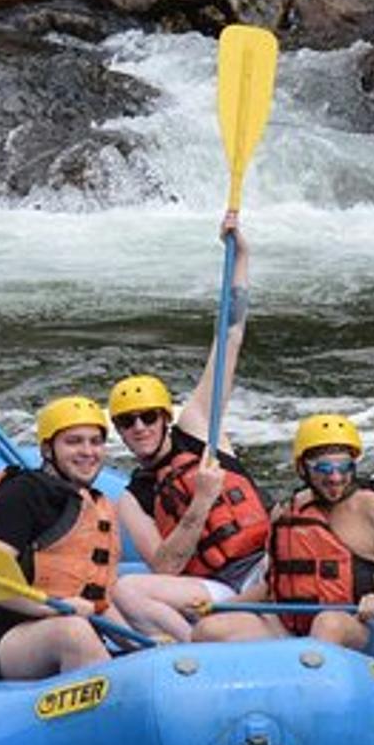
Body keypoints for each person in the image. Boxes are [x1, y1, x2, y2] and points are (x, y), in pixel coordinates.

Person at [107, 215, 271, 641]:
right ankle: (190, 650)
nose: (139, 427)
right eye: (127, 422)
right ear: (119, 432)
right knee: (127, 589)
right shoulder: (133, 498)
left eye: (148, 417)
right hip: (214, 585)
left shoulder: (199, 425)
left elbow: (231, 333)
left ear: (165, 417)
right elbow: (165, 567)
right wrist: (200, 503)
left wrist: (240, 256)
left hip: (265, 564)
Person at [194, 414, 374, 659]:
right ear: (302, 468)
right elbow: (273, 586)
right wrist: (218, 608)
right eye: (324, 468)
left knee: (329, 624)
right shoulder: (285, 512)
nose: (336, 478)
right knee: (209, 630)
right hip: (297, 625)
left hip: (368, 628)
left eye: (344, 467)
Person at [0, 396, 120, 682]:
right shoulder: (23, 494)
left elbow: (99, 602)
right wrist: (48, 608)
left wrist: (145, 647)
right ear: (47, 449)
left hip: (49, 632)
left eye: (95, 442)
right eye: (74, 442)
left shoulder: (97, 505)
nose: (88, 451)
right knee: (72, 632)